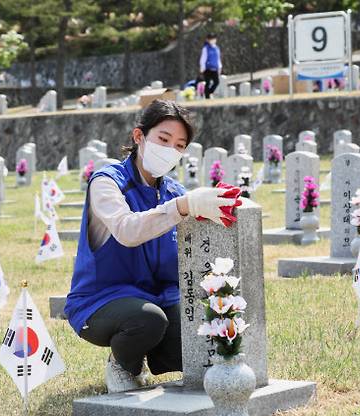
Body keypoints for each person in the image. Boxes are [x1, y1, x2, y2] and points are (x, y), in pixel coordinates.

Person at [64, 100, 237, 393]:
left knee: (201, 334)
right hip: (101, 299)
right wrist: (182, 207)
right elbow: (127, 230)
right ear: (138, 136)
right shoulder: (107, 182)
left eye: (180, 145)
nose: (171, 150)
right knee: (148, 321)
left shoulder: (174, 192)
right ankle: (123, 364)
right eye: (163, 139)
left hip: (158, 296)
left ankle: (156, 352)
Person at [199, 33, 222, 99]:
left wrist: (219, 67)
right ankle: (207, 97)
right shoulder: (206, 48)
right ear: (208, 40)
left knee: (216, 82)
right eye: (211, 39)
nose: (213, 40)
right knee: (208, 83)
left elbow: (218, 59)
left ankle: (209, 92)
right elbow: (203, 58)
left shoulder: (217, 48)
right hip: (207, 68)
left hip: (215, 68)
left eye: (214, 39)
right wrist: (202, 67)